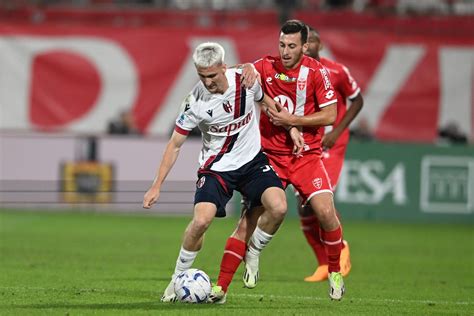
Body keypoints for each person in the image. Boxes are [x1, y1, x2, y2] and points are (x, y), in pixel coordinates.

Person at [142, 42, 303, 304]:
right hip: (216, 169)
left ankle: (254, 249)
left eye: (212, 75)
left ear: (224, 68)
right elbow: (174, 145)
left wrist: (292, 127)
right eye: (202, 76)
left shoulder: (247, 81)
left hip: (252, 163)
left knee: (279, 207)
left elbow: (267, 102)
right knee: (202, 221)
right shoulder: (194, 101)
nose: (207, 82)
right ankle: (178, 276)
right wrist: (156, 185)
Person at [240, 20, 345, 300]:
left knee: (326, 213)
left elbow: (331, 115)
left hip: (306, 156)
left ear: (305, 46)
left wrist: (293, 120)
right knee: (253, 217)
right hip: (271, 155)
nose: (285, 51)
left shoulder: (316, 71)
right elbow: (240, 73)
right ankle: (251, 256)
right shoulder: (266, 65)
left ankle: (334, 270)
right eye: (282, 45)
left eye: (292, 46)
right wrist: (246, 67)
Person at [294, 25, 364, 282]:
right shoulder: (294, 73)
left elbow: (357, 100)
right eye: (305, 41)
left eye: (312, 40)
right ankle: (323, 263)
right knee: (303, 208)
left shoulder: (336, 71)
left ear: (319, 45)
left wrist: (336, 132)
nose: (308, 45)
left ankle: (340, 246)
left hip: (330, 144)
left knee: (319, 199)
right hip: (305, 143)